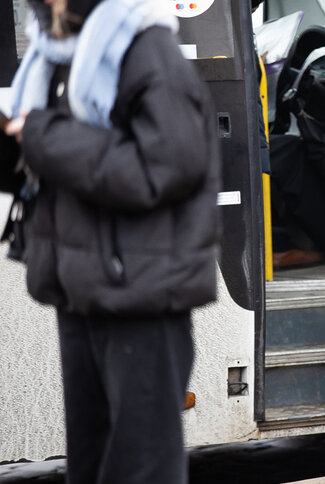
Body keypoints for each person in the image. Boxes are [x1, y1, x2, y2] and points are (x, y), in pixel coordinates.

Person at [2, 1, 220, 483]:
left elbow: (165, 167)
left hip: (140, 293)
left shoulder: (144, 46)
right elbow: (58, 166)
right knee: (95, 466)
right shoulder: (55, 53)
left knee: (142, 468)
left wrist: (41, 135)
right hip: (82, 290)